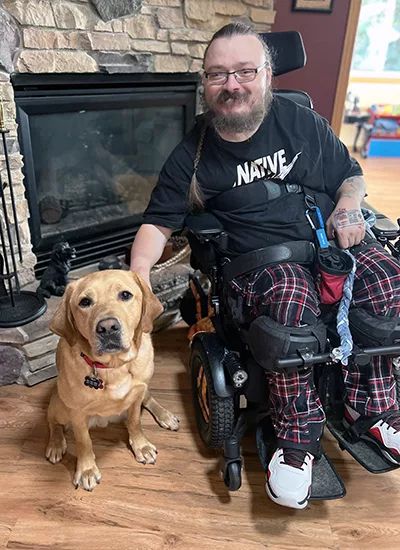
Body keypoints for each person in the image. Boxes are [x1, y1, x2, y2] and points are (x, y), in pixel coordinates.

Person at [130, 23, 400, 509]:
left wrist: (348, 209)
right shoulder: (191, 156)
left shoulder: (301, 121)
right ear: (205, 84)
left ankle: (375, 407)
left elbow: (350, 175)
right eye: (218, 75)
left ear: (268, 75)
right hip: (262, 265)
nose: (231, 84)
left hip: (328, 240)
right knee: (291, 296)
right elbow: (157, 224)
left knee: (386, 278)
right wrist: (138, 280)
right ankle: (296, 440)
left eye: (244, 71)